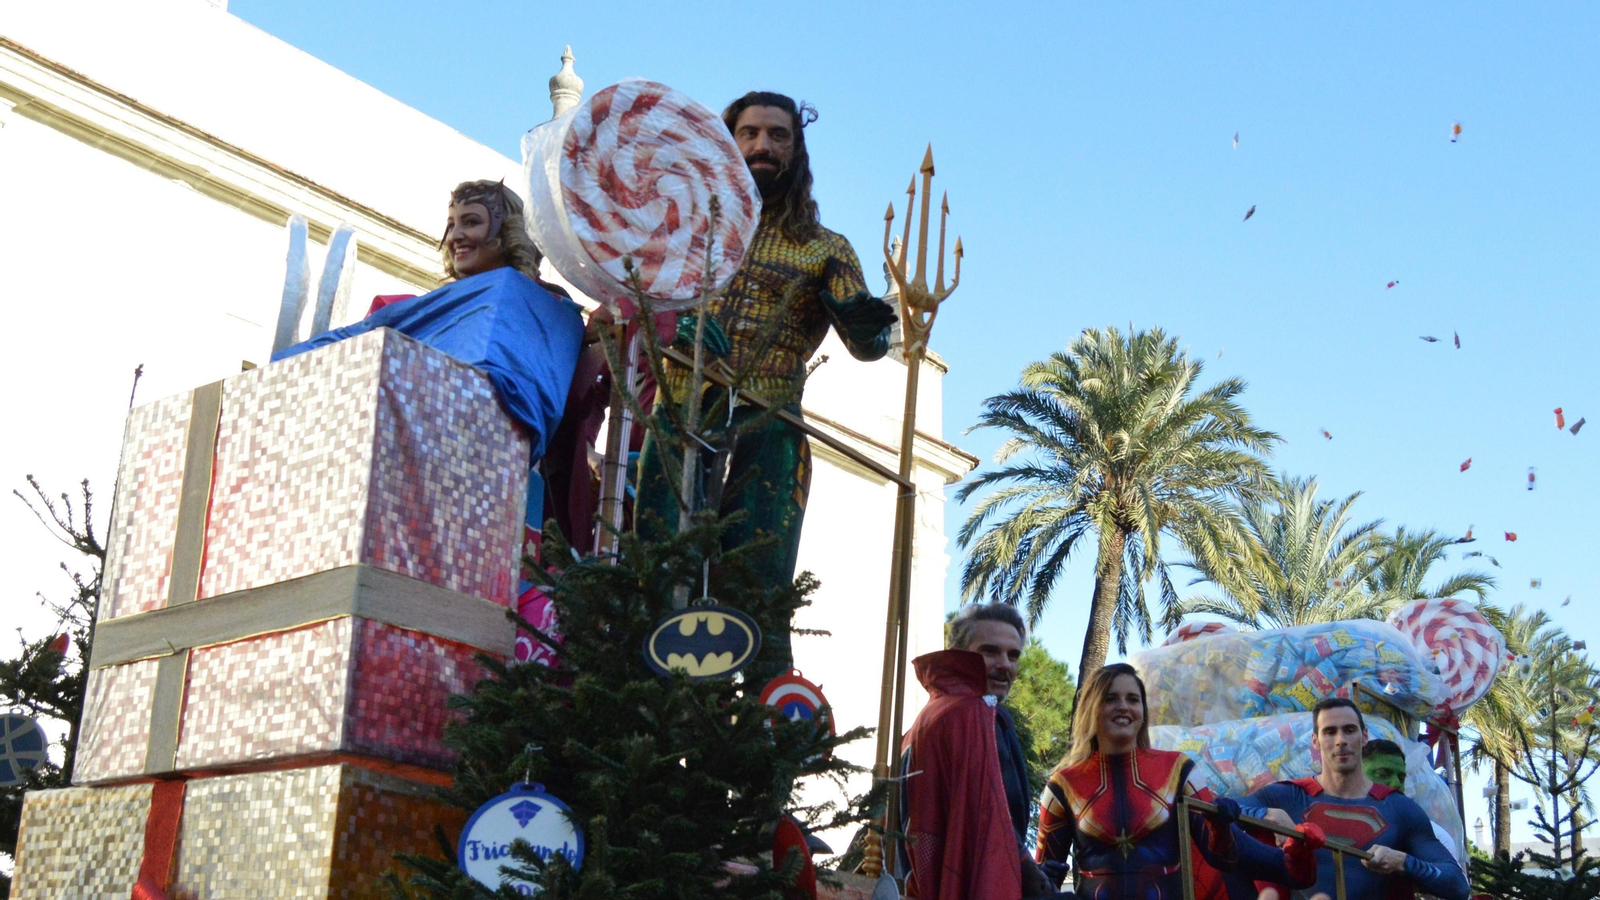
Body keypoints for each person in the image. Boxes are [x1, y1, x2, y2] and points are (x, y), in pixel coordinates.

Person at [634, 91, 897, 680]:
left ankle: (765, 719)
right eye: (750, 133)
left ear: (796, 150)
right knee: (658, 569)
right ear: (727, 142)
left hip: (771, 423)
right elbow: (634, 301)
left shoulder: (826, 248)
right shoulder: (683, 228)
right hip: (681, 412)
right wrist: (676, 323)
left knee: (760, 585)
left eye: (778, 135)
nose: (763, 146)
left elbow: (869, 345)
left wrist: (866, 326)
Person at [1036, 664, 1319, 899]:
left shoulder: (1177, 769)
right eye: (1111, 699)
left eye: (1132, 699)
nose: (1123, 707)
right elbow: (1040, 880)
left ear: (1143, 711)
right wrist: (1046, 886)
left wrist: (1222, 827)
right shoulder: (1062, 786)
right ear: (1091, 708)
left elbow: (1223, 857)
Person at [1243, 698, 1470, 900]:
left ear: (1364, 736)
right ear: (1315, 741)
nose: (1341, 740)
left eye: (1349, 730)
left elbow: (1458, 885)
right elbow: (1224, 808)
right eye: (1330, 732)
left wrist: (1403, 862)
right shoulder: (1285, 796)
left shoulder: (1400, 809)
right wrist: (1265, 814)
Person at [895, 604, 1035, 899]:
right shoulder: (972, 716)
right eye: (990, 651)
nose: (1004, 665)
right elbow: (991, 824)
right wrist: (1036, 879)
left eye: (1013, 655)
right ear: (958, 653)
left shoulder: (934, 715)